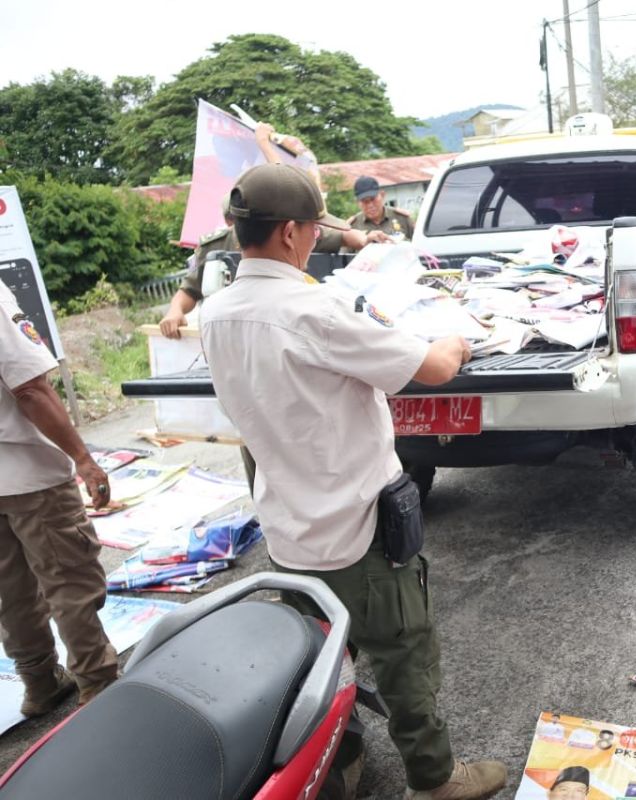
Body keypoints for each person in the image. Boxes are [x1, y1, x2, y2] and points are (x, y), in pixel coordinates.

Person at [200, 162, 505, 800]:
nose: (317, 238)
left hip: (288, 527)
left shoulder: (218, 311)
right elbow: (432, 368)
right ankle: (434, 779)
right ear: (288, 232)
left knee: (319, 660)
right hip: (357, 528)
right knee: (402, 652)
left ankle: (338, 761)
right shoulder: (312, 310)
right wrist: (458, 335)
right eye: (312, 228)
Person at [0, 283, 119, 715]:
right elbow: (30, 388)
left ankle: (39, 682)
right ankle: (98, 682)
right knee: (70, 579)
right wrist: (84, 460)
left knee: (10, 591)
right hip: (28, 474)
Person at [159, 124, 391, 340]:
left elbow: (340, 234)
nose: (313, 237)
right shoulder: (217, 252)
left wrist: (365, 238)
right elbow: (190, 288)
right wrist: (174, 311)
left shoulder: (215, 315)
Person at [350, 176, 415, 241]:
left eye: (373, 199)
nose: (370, 205)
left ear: (382, 195)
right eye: (365, 202)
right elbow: (344, 251)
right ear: (357, 203)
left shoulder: (402, 218)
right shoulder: (353, 226)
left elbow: (419, 245)